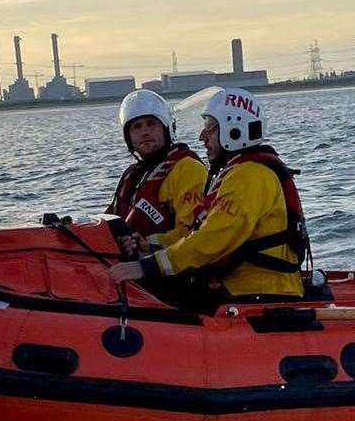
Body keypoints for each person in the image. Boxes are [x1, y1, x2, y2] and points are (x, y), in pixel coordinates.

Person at [109, 86, 308, 304]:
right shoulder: (242, 172)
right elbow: (201, 233)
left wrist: (145, 266)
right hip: (242, 288)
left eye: (210, 129)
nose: (202, 136)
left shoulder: (249, 176)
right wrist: (149, 246)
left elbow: (213, 240)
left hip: (258, 293)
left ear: (234, 130)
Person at [107, 89, 207, 252]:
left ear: (167, 128)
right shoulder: (132, 175)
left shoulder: (188, 169)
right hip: (131, 264)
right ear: (128, 136)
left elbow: (194, 231)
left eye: (151, 123)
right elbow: (109, 221)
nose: (145, 131)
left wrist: (145, 243)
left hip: (170, 266)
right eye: (137, 126)